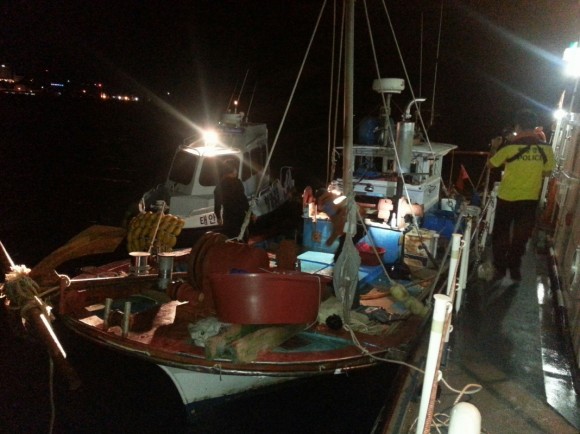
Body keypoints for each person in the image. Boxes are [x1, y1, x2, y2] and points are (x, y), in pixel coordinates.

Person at [487, 109, 555, 283]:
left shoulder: (509, 147)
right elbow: (548, 172)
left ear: (518, 126)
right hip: (529, 199)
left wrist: (494, 147)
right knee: (521, 236)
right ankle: (514, 268)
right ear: (534, 127)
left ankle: (500, 268)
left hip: (507, 197)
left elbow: (491, 164)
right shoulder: (546, 149)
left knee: (501, 234)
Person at [213, 159, 249, 239]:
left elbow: (217, 204)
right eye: (235, 169)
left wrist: (218, 217)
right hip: (240, 216)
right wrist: (251, 214)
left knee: (230, 238)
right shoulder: (238, 183)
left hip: (228, 217)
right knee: (242, 237)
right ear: (233, 170)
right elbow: (243, 200)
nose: (236, 171)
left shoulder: (219, 186)